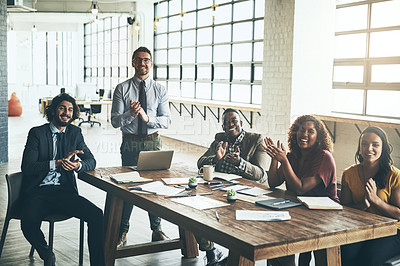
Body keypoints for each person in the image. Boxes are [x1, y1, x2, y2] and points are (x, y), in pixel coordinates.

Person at [20, 93, 105, 266]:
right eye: (62, 108)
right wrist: (55, 163)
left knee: (97, 215)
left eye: (70, 110)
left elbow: (91, 161)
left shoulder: (75, 133)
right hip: (38, 191)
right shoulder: (37, 133)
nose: (66, 113)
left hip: (64, 192)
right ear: (52, 111)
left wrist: (77, 167)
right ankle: (46, 253)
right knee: (27, 222)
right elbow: (27, 167)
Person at [111, 46, 171, 247]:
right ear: (133, 63)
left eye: (146, 60)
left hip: (153, 142)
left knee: (154, 187)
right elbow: (114, 121)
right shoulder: (122, 88)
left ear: (151, 63)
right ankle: (122, 231)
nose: (142, 63)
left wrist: (147, 118)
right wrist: (131, 114)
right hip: (130, 143)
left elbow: (167, 121)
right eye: (138, 60)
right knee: (128, 188)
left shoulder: (160, 89)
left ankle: (157, 230)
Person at [262, 115, 338, 266]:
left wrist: (284, 161)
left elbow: (301, 188)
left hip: (323, 217)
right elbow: (273, 182)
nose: (304, 134)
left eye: (310, 131)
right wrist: (275, 159)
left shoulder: (324, 157)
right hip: (298, 211)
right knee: (273, 239)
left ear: (319, 137)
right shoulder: (293, 156)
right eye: (301, 130)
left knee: (323, 259)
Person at [197, 108, 268, 265]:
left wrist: (241, 163)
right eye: (226, 123)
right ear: (223, 127)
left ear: (241, 123)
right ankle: (211, 252)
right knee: (196, 213)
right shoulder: (219, 139)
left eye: (234, 121)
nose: (230, 125)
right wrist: (215, 159)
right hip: (219, 190)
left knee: (238, 227)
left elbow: (261, 175)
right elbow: (200, 162)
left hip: (246, 194)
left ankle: (233, 260)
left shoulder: (256, 140)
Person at [340, 126, 400, 266]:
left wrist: (376, 201)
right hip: (361, 228)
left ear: (383, 147)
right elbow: (345, 210)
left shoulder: (394, 175)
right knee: (344, 253)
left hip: (393, 231)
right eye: (364, 143)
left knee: (369, 258)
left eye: (375, 145)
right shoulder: (349, 173)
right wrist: (363, 205)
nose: (369, 149)